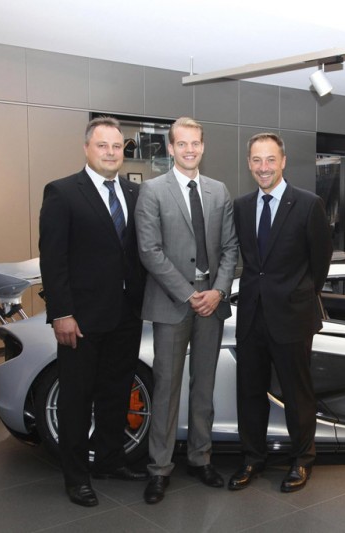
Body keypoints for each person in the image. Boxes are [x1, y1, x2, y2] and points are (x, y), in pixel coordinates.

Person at [38, 116, 148, 508]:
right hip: (81, 320)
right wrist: (61, 313)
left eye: (117, 146)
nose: (111, 152)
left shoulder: (135, 194)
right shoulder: (63, 192)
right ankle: (76, 477)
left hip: (126, 315)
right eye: (103, 145)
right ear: (87, 148)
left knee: (116, 393)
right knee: (77, 399)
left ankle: (109, 461)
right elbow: (53, 260)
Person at [135, 117, 238, 504]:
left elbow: (230, 248)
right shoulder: (152, 191)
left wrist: (218, 291)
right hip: (171, 302)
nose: (189, 150)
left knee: (204, 386)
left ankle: (200, 458)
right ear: (170, 148)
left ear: (203, 147)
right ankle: (159, 468)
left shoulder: (218, 190)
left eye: (195, 143)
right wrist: (186, 293)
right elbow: (150, 251)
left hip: (212, 301)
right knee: (166, 388)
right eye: (182, 144)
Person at [230, 132, 333, 493]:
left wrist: (299, 295)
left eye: (270, 159)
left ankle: (302, 460)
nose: (264, 167)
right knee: (249, 393)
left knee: (297, 393)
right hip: (251, 316)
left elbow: (320, 263)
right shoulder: (241, 206)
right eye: (257, 160)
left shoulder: (308, 204)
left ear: (283, 161)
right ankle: (252, 458)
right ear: (249, 164)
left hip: (292, 316)